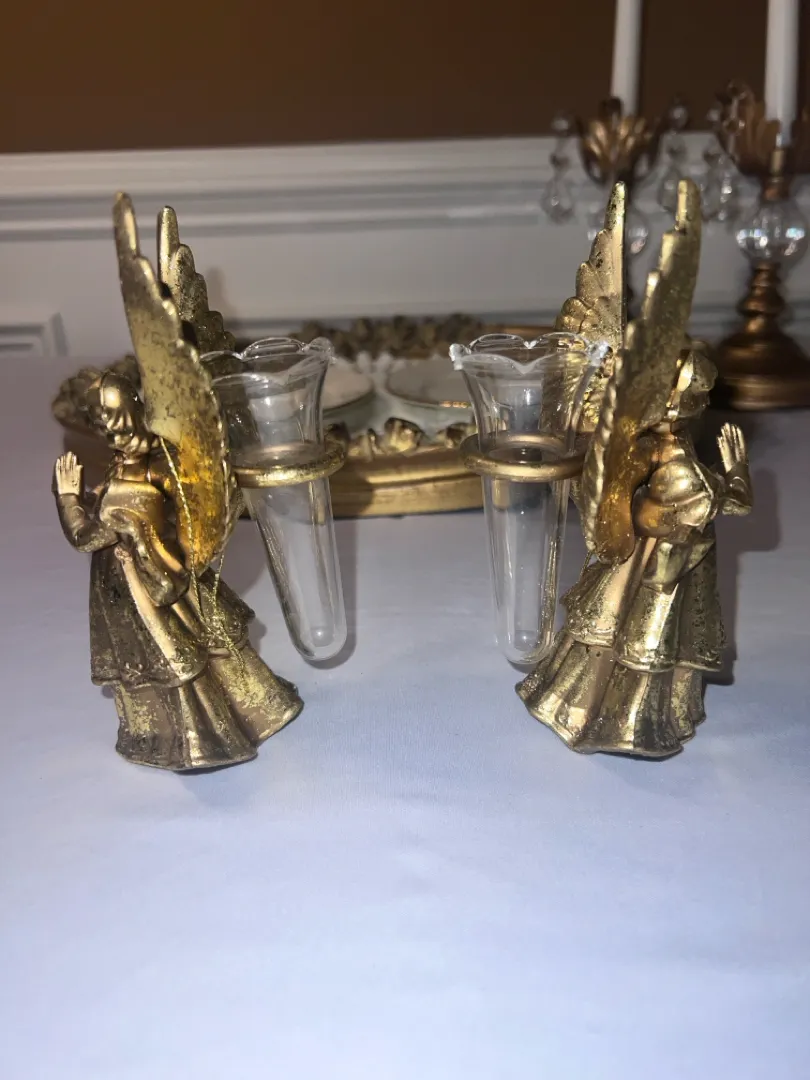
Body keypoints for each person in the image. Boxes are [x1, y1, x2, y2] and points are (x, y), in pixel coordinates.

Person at [53, 371, 302, 771]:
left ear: (133, 413)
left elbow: (86, 536)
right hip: (134, 585)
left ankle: (207, 739)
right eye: (101, 424)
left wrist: (67, 498)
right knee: (181, 652)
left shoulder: (151, 472)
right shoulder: (134, 466)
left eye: (113, 421)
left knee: (176, 655)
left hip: (151, 583)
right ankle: (208, 726)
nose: (110, 432)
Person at [517, 351, 753, 758]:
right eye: (694, 396)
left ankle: (621, 715)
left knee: (641, 634)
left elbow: (723, 503)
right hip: (655, 561)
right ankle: (603, 717)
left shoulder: (673, 446)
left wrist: (729, 478)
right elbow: (726, 504)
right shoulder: (664, 456)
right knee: (631, 635)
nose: (697, 404)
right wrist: (734, 475)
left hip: (672, 558)